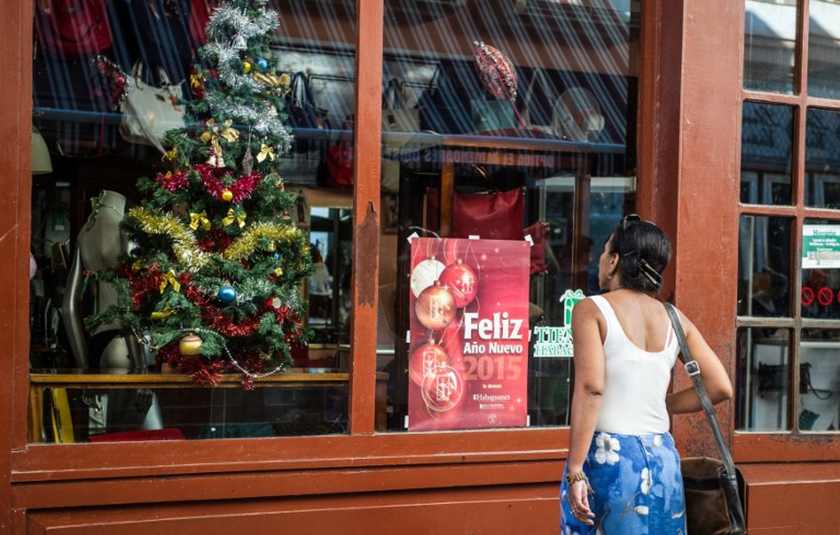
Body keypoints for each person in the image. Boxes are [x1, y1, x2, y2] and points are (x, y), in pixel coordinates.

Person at [561, 214, 733, 534]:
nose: (600, 260)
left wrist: (575, 469)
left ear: (614, 261)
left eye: (604, 251)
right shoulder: (674, 318)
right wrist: (663, 404)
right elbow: (720, 386)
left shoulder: (591, 309)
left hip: (609, 457)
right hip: (662, 456)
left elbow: (591, 388)